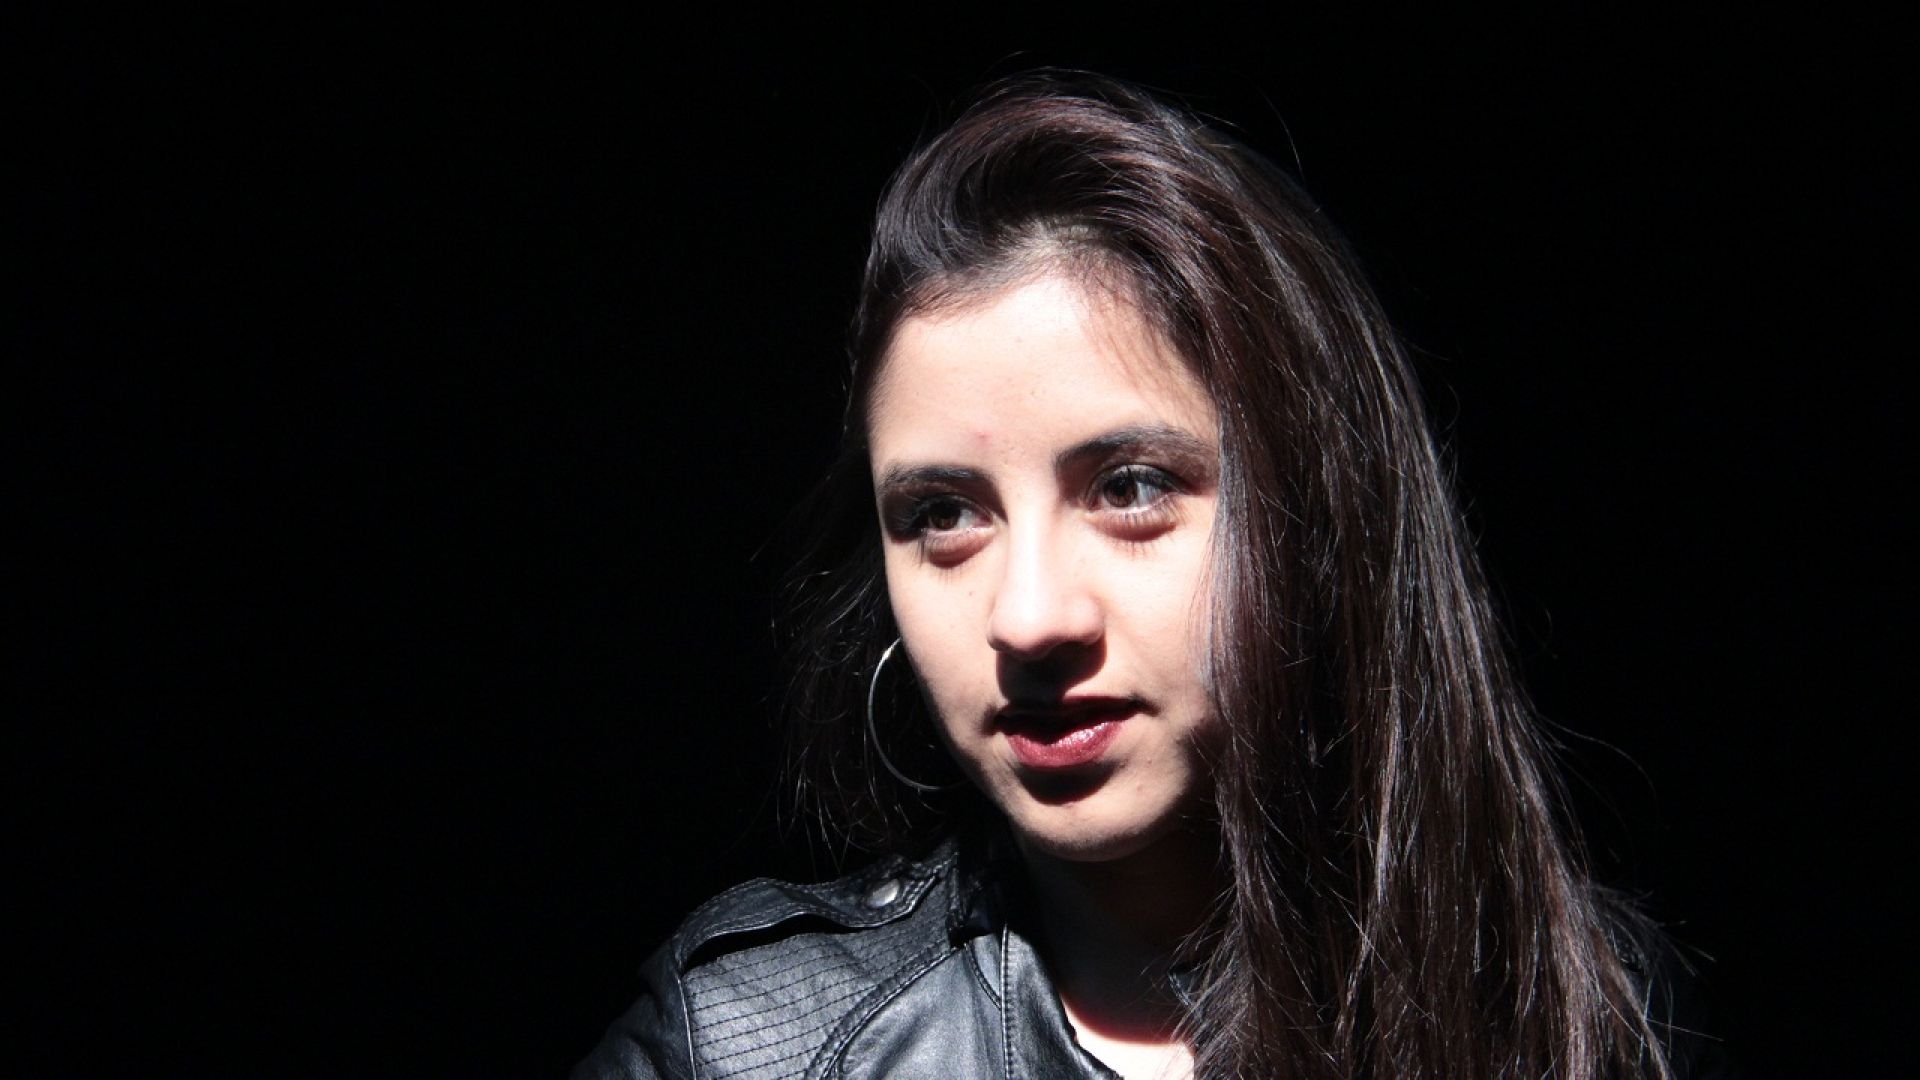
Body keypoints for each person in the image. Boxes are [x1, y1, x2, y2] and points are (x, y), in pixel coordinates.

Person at [576, 72, 1734, 1079]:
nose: (1030, 618)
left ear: (1318, 515)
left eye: (1130, 488)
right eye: (943, 515)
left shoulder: (1580, 1006)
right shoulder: (747, 1045)